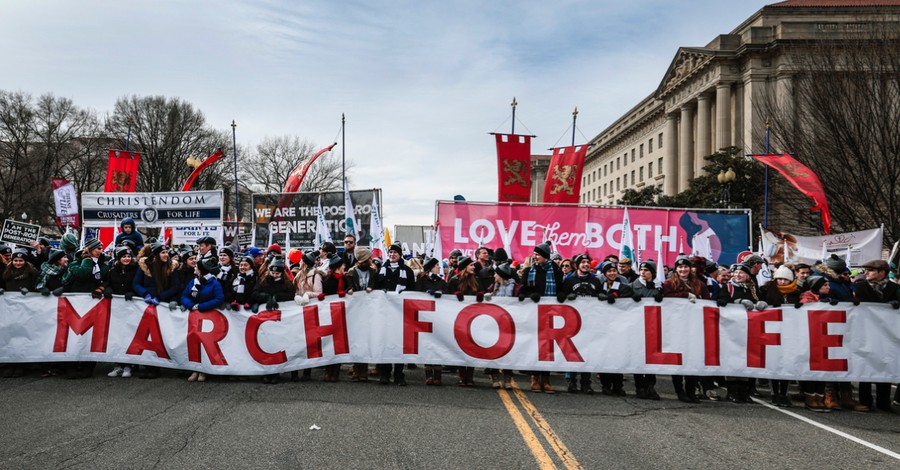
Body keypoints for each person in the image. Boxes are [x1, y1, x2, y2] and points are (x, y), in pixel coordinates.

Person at [854, 259, 899, 412]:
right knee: (865, 365)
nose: (866, 273)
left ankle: (883, 402)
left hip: (887, 335)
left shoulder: (895, 288)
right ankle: (865, 401)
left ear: (882, 273)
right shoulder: (859, 287)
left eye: (871, 270)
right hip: (865, 333)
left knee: (885, 365)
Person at [665, 255, 710, 403]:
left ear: (690, 269)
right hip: (676, 327)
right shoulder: (669, 283)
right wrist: (684, 294)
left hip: (694, 326)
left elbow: (707, 301)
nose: (683, 269)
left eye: (686, 267)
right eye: (680, 267)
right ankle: (680, 391)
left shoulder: (700, 284)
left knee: (693, 358)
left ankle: (691, 391)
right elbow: (666, 297)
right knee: (677, 360)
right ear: (676, 269)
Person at [132, 242, 181, 379]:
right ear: (156, 255)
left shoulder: (171, 267)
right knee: (147, 337)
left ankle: (158, 367)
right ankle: (149, 365)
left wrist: (160, 297)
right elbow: (136, 283)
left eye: (167, 252)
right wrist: (145, 294)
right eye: (163, 252)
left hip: (162, 306)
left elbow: (176, 286)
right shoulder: (144, 266)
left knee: (160, 336)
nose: (166, 255)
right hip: (147, 306)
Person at [519, 242, 563, 393]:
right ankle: (534, 377)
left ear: (545, 256)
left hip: (550, 313)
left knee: (548, 347)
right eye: (534, 254)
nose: (535, 256)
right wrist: (530, 295)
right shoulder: (528, 271)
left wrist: (562, 294)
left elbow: (560, 287)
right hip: (533, 314)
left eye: (537, 254)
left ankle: (546, 379)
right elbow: (522, 290)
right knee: (535, 346)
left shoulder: (556, 271)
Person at [374, 243, 416, 386]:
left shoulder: (408, 271)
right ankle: (385, 373)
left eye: (395, 253)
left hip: (400, 312)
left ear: (400, 255)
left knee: (399, 343)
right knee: (385, 342)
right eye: (390, 252)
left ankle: (399, 374)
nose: (392, 255)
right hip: (384, 312)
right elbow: (375, 288)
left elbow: (412, 290)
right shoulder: (381, 270)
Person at [560, 253, 602, 394]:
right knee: (573, 352)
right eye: (582, 262)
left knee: (588, 352)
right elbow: (561, 298)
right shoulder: (569, 280)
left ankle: (586, 382)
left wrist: (601, 296)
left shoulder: (595, 281)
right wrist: (566, 297)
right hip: (573, 322)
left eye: (587, 262)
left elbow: (601, 298)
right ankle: (572, 381)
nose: (586, 264)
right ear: (577, 265)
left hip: (590, 321)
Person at [762, 265, 801, 407]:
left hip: (790, 333)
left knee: (786, 363)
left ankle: (784, 393)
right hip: (772, 331)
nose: (782, 282)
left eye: (785, 279)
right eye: (779, 279)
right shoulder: (766, 290)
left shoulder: (796, 293)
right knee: (774, 362)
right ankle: (774, 393)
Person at [181, 257, 225, 383]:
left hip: (208, 317)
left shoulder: (214, 283)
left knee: (205, 344)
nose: (195, 268)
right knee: (194, 343)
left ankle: (204, 370)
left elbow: (219, 298)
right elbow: (184, 296)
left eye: (197, 267)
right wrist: (191, 306)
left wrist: (201, 307)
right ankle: (195, 369)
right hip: (194, 317)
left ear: (201, 270)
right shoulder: (193, 281)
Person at [252, 257, 295, 384]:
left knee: (277, 345)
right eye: (273, 272)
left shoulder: (287, 283)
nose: (274, 275)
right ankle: (265, 372)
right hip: (265, 319)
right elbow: (254, 294)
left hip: (279, 319)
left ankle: (275, 372)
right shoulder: (263, 281)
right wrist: (266, 297)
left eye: (277, 273)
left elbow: (292, 295)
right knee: (265, 344)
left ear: (282, 273)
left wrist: (277, 297)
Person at [345, 247, 380, 382]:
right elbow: (348, 286)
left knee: (365, 340)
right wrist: (350, 289)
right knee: (356, 340)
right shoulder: (351, 272)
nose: (370, 261)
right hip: (356, 310)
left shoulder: (373, 272)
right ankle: (356, 369)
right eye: (368, 259)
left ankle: (363, 371)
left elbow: (376, 285)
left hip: (369, 310)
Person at [630, 260, 664, 400]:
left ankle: (651, 386)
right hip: (637, 326)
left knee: (651, 358)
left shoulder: (659, 286)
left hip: (653, 327)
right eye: (641, 270)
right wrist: (631, 298)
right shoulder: (633, 286)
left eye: (646, 270)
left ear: (653, 272)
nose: (643, 272)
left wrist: (663, 298)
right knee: (638, 356)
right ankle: (640, 387)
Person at [448, 255, 480, 387]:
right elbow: (447, 296)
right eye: (471, 265)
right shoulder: (454, 281)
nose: (473, 267)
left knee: (472, 346)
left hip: (473, 318)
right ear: (464, 267)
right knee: (461, 346)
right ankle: (462, 375)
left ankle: (470, 376)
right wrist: (454, 296)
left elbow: (483, 291)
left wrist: (480, 295)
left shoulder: (475, 280)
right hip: (458, 318)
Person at [320, 255, 349, 382]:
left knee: (339, 343)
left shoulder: (346, 279)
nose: (344, 267)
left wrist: (347, 293)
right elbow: (323, 294)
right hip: (329, 315)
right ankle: (328, 370)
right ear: (338, 267)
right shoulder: (327, 280)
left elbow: (350, 289)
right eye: (343, 265)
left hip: (342, 315)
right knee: (328, 343)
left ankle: (335, 371)